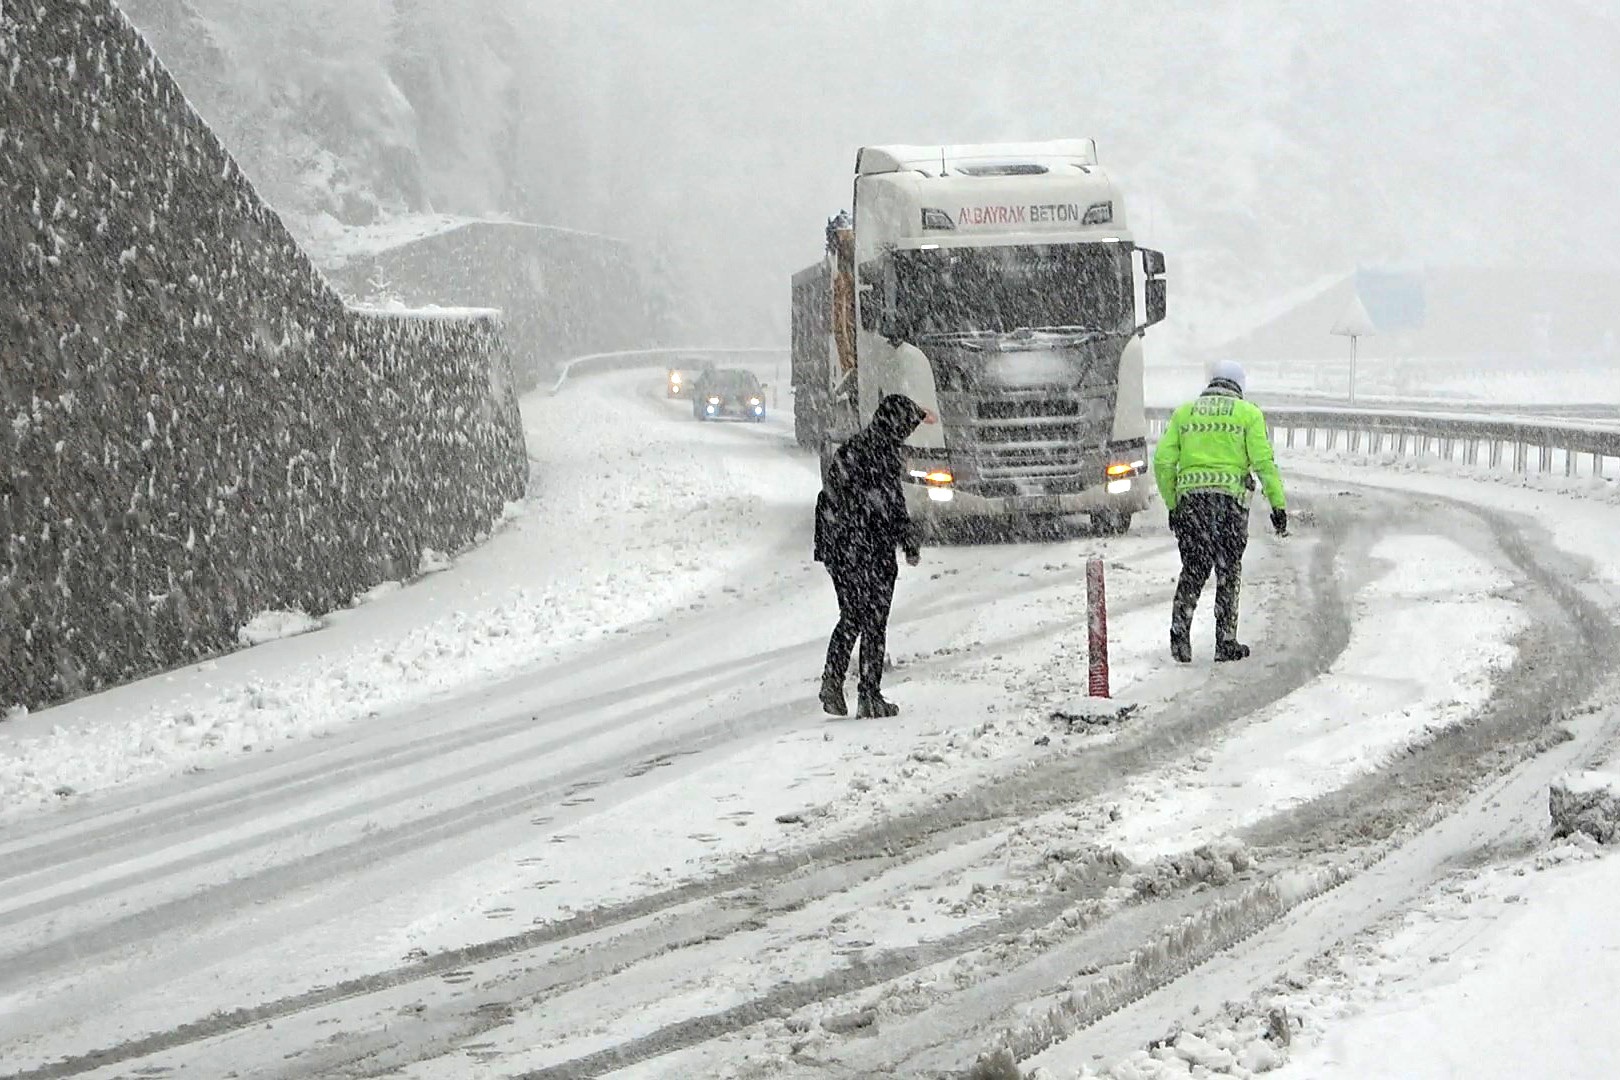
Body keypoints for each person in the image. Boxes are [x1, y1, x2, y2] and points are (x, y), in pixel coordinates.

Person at [1152, 360, 1287, 664]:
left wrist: (1173, 503)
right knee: (1228, 572)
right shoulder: (1248, 414)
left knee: (1193, 570)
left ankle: (1179, 639)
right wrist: (1277, 505)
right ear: (1239, 385)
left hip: (1192, 506)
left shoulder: (1184, 414)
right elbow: (1264, 463)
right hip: (1230, 507)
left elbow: (1162, 462)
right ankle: (1225, 642)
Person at [814, 394, 931, 717]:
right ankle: (869, 695)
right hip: (868, 548)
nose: (908, 434)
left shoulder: (852, 449)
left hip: (841, 547)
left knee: (852, 615)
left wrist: (833, 547)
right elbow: (891, 505)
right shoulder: (882, 454)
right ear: (897, 425)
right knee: (875, 620)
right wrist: (908, 541)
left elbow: (833, 498)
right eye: (907, 427)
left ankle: (833, 681)